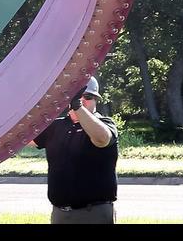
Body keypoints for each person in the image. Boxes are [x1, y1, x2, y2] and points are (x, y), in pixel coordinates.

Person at [29, 76, 120, 224]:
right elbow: (21, 139)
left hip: (94, 214)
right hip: (60, 213)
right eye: (76, 97)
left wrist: (78, 107)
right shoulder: (55, 127)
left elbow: (102, 139)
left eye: (88, 97)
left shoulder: (105, 124)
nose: (83, 100)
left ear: (96, 100)